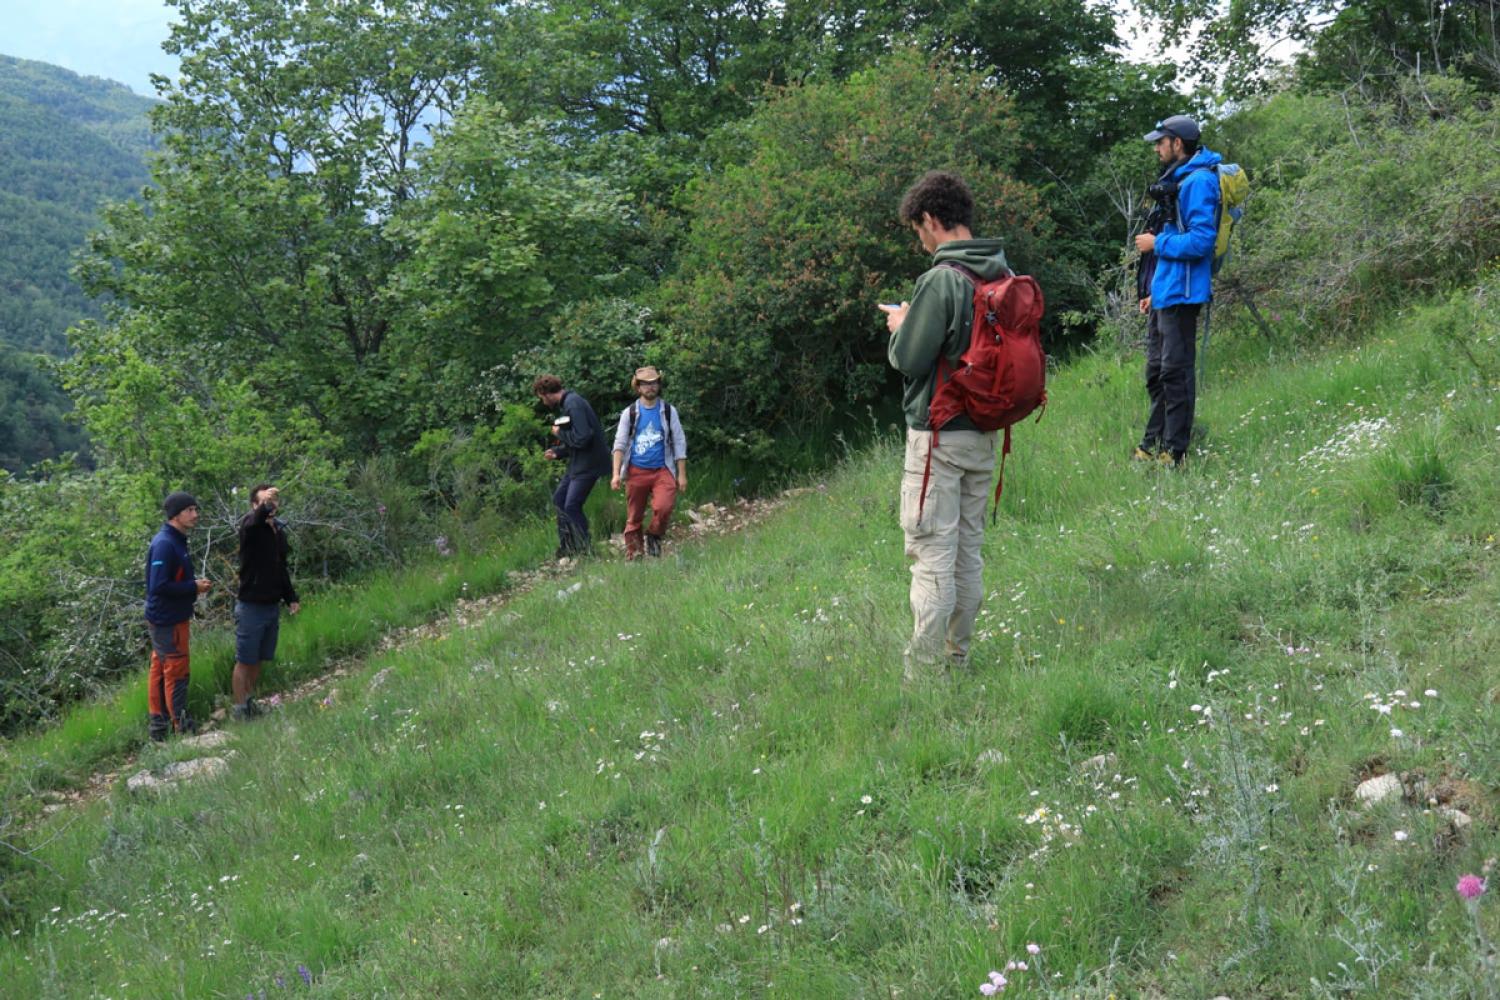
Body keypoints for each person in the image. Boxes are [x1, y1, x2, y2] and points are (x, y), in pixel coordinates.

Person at [880, 171, 1008, 680]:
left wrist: (900, 326)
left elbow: (911, 359)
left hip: (938, 436)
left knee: (933, 552)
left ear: (931, 220)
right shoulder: (999, 272)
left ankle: (924, 672)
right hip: (983, 432)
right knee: (967, 552)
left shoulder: (942, 278)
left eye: (919, 231)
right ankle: (959, 657)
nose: (921, 241)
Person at [1133, 114, 1221, 468]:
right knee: (1156, 372)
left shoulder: (1199, 181)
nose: (1157, 148)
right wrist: (1154, 291)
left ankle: (1176, 452)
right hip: (1166, 293)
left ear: (1177, 144)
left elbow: (1202, 241)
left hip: (1184, 295)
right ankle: (1152, 444)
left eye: (1161, 142)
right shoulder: (1177, 178)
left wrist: (1157, 243)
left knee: (1176, 373)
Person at [144, 491, 212, 740]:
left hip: (169, 618)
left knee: (162, 669)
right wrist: (193, 587)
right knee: (176, 669)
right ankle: (181, 727)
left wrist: (191, 585)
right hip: (167, 620)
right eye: (190, 510)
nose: (196, 515)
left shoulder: (176, 540)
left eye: (196, 509)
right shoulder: (165, 543)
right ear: (176, 515)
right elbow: (158, 586)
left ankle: (159, 729)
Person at [232, 484, 301, 721]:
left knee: (259, 659)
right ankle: (240, 709)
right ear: (254, 506)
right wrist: (264, 507)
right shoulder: (250, 527)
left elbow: (281, 568)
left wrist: (290, 597)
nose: (271, 506)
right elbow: (254, 522)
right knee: (245, 660)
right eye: (264, 502)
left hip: (271, 605)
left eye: (273, 502)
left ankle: (250, 703)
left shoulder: (277, 532)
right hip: (251, 605)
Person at [610, 366, 688, 559]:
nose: (650, 387)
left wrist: (682, 474)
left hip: (663, 469)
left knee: (664, 507)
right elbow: (619, 444)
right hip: (636, 471)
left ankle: (654, 535)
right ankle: (635, 553)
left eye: (653, 383)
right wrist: (616, 474)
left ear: (658, 385)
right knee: (634, 516)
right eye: (645, 384)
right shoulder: (630, 413)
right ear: (638, 387)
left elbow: (679, 442)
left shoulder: (669, 411)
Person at [534, 374, 611, 558]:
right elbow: (577, 440)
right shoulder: (569, 404)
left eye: (541, 397)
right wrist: (558, 452)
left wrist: (560, 434)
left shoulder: (574, 404)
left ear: (545, 393)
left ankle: (585, 549)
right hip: (578, 463)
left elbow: (584, 437)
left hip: (589, 464)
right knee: (559, 500)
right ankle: (568, 546)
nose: (543, 402)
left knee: (572, 506)